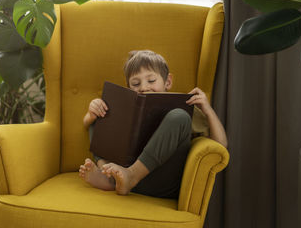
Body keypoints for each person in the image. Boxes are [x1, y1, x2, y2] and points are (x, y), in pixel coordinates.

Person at [79, 50, 227, 198]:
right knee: (102, 114)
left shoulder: (184, 107)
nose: (144, 87)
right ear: (129, 87)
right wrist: (92, 113)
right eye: (135, 83)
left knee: (179, 116)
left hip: (161, 183)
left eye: (151, 81)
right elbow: (89, 127)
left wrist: (208, 110)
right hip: (122, 175)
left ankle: (131, 175)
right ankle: (108, 176)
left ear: (167, 82)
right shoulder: (127, 108)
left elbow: (220, 146)